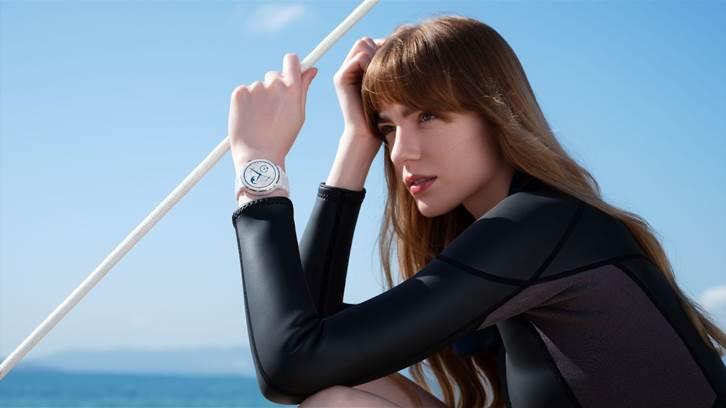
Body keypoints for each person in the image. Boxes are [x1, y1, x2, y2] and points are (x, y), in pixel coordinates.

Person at [227, 15, 726, 408]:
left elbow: (289, 365)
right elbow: (309, 334)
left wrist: (259, 170)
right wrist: (357, 140)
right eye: (388, 127)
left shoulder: (540, 225)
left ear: (495, 112)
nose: (401, 152)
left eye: (427, 115)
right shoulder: (517, 230)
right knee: (339, 391)